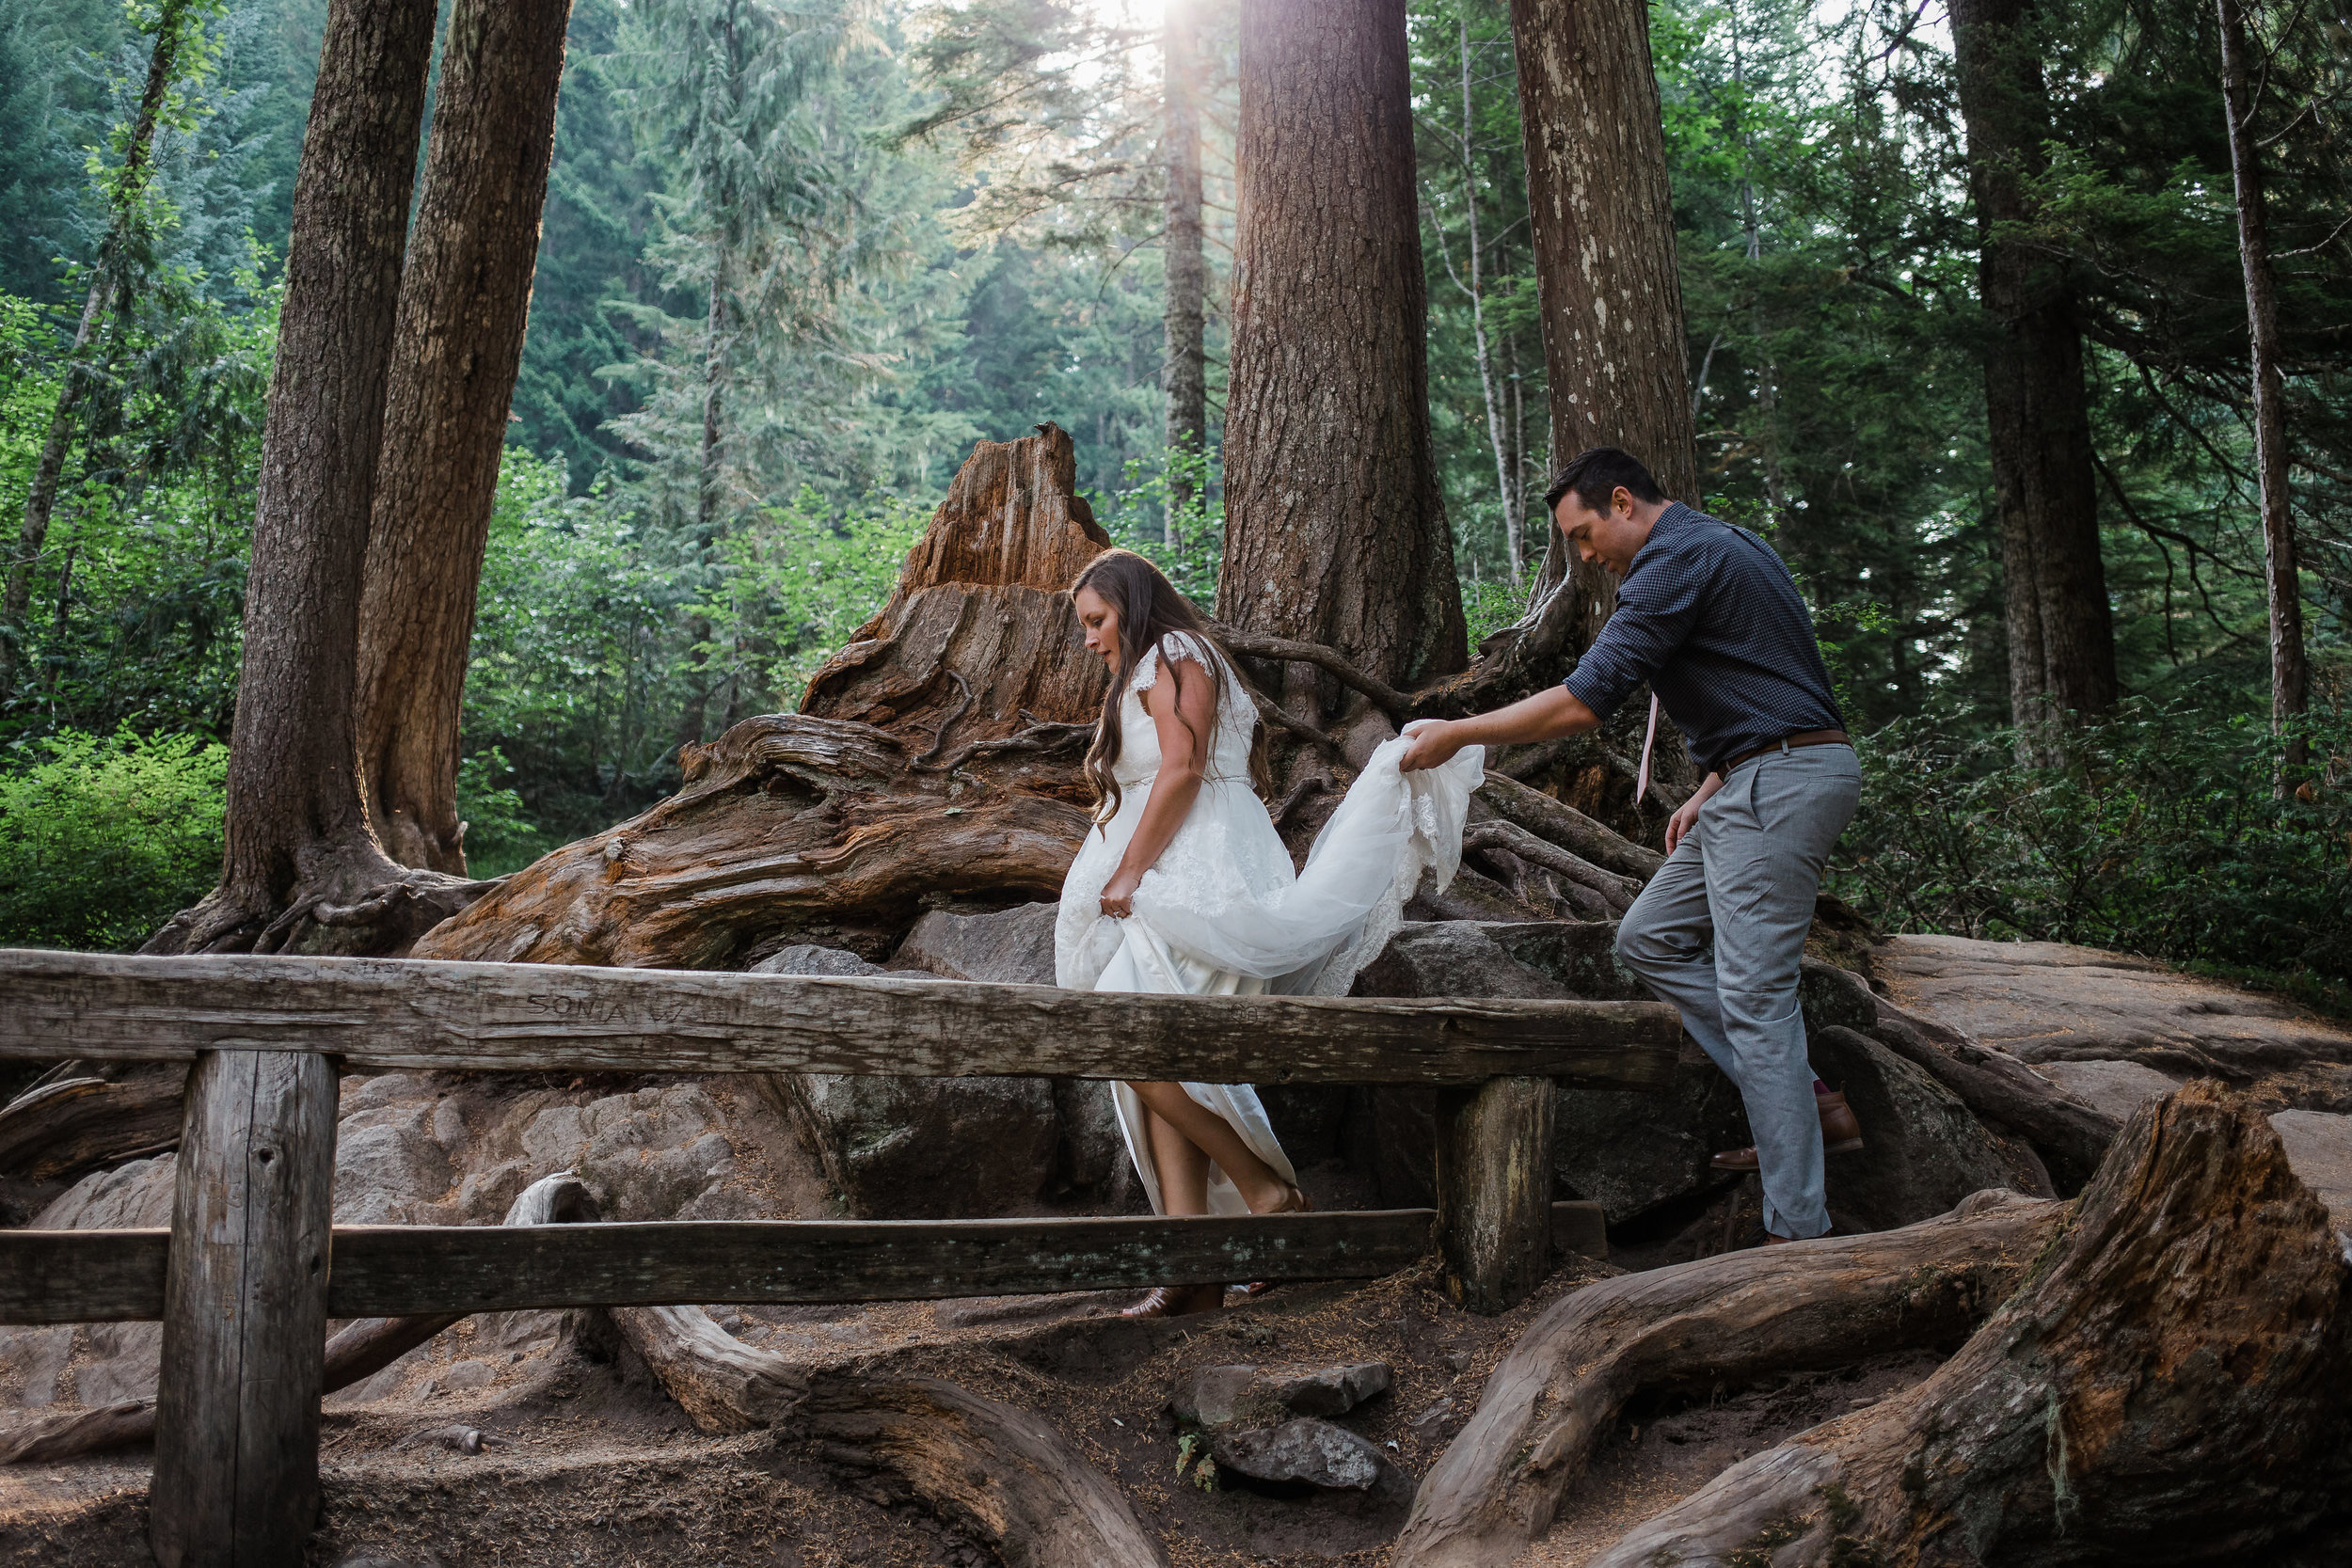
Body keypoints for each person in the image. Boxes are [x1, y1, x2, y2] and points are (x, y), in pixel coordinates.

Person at [1399, 448, 1863, 1245]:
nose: (1582, 557)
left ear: (1622, 502)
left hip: (1779, 783)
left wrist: (1458, 734)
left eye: (1582, 535)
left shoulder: (1671, 560)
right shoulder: (1732, 544)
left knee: (1758, 1002)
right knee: (1648, 937)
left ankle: (1799, 1234)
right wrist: (1714, 783)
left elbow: (1585, 700)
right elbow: (1770, 677)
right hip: (1758, 774)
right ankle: (1803, 1093)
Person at [1054, 549, 1486, 1315]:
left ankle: (1266, 1195)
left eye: (1096, 620)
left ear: (1132, 605)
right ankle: (1193, 1265)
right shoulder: (1164, 658)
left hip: (1200, 868)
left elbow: (1182, 770)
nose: (1089, 639)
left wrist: (1128, 875)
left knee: (1125, 1036)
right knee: (1159, 1058)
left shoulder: (1174, 652)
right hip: (1180, 860)